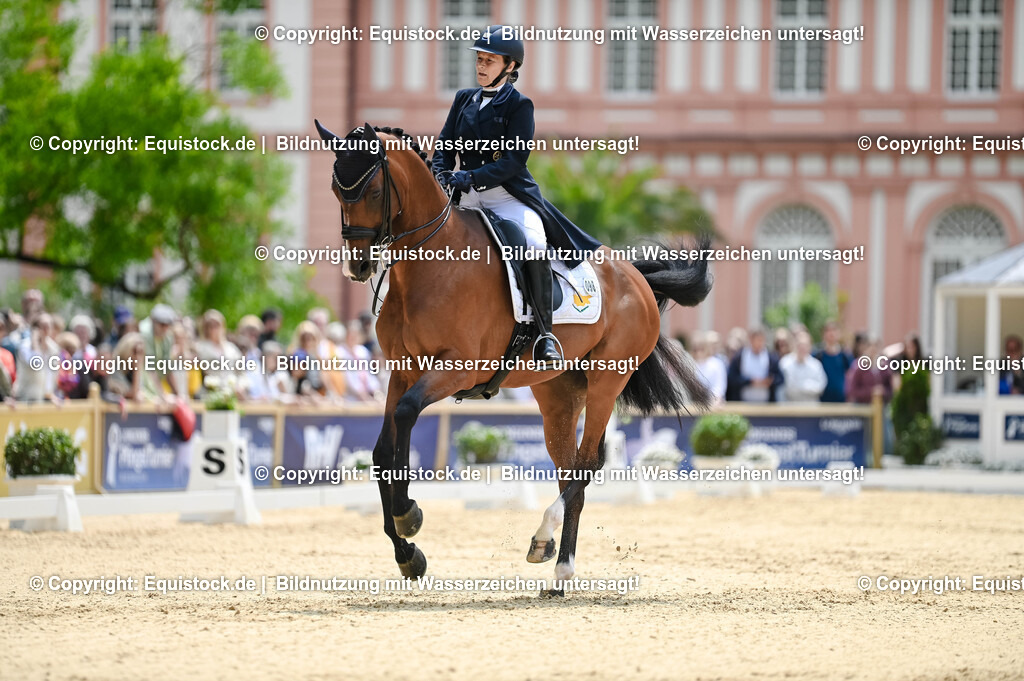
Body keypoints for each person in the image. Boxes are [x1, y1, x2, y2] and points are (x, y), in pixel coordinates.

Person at [430, 25, 601, 369]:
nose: (480, 66)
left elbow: (512, 161)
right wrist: (440, 172)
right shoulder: (464, 98)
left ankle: (544, 335)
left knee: (534, 247)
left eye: (489, 61)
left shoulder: (520, 105)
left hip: (507, 196)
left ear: (509, 67)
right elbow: (445, 145)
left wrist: (470, 176)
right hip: (464, 197)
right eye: (479, 59)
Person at [726, 327, 783, 402]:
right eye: (757, 340)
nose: (759, 343)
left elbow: (780, 378)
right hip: (743, 402)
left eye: (761, 340)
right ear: (751, 340)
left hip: (766, 404)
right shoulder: (739, 357)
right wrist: (749, 381)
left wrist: (770, 381)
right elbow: (732, 378)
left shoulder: (771, 357)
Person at [779, 331, 827, 402]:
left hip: (811, 408)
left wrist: (803, 385)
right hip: (791, 407)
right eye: (800, 345)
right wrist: (808, 385)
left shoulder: (815, 365)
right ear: (794, 344)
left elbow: (821, 386)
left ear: (809, 346)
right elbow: (787, 387)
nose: (802, 348)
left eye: (805, 345)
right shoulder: (785, 363)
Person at [814, 321, 853, 403]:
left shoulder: (845, 356)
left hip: (841, 402)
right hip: (821, 401)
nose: (831, 334)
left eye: (834, 330)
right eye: (828, 331)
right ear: (823, 334)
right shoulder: (817, 356)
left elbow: (851, 376)